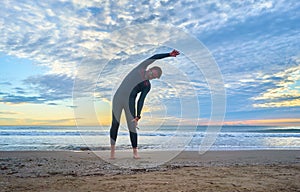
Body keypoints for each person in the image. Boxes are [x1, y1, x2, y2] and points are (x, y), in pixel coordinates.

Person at [110, 49, 180, 159]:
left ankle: (135, 153)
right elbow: (155, 56)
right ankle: (112, 153)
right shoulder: (140, 69)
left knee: (132, 126)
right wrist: (169, 55)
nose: (151, 76)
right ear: (150, 69)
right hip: (118, 98)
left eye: (154, 77)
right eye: (152, 73)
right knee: (115, 124)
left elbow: (141, 100)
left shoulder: (147, 85)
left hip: (130, 101)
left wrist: (138, 115)